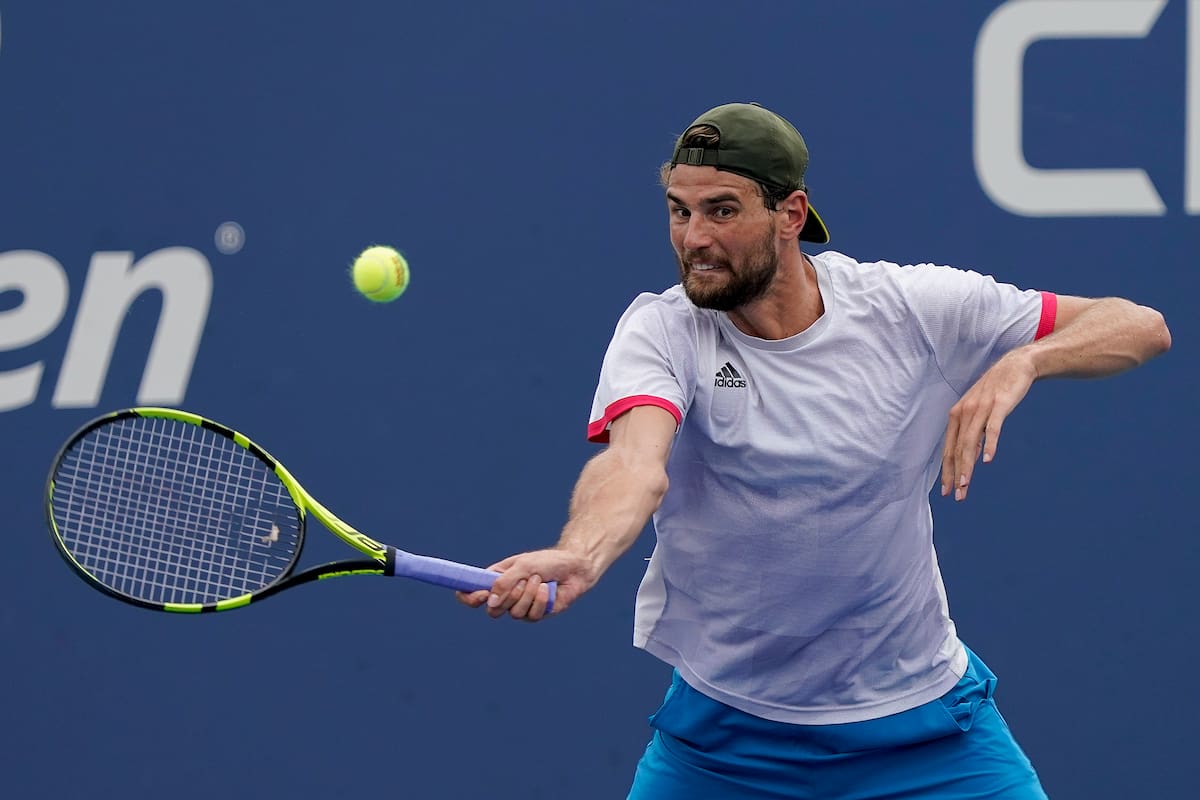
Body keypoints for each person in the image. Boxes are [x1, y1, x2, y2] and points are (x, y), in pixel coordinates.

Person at [457, 102, 1171, 798]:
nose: (694, 238)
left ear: (791, 215)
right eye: (680, 210)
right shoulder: (661, 332)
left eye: (722, 210)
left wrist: (1024, 362)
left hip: (926, 737)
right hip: (725, 748)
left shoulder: (912, 308)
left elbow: (1139, 324)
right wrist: (582, 551)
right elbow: (635, 466)